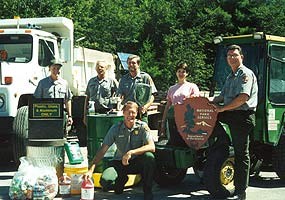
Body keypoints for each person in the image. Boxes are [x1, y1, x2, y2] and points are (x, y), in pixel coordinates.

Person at [209, 45, 258, 200]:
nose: (232, 58)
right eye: (229, 56)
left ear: (241, 57)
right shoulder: (230, 75)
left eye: (235, 55)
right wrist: (205, 102)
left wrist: (222, 109)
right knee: (207, 120)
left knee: (241, 154)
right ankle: (220, 146)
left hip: (242, 117)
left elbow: (243, 97)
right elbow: (221, 97)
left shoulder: (245, 74)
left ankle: (240, 192)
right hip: (230, 114)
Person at [83, 101, 155, 200]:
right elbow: (103, 149)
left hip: (137, 162)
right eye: (128, 112)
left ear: (137, 113)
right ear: (123, 113)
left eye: (133, 112)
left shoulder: (142, 127)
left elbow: (152, 146)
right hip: (120, 163)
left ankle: (147, 190)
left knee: (149, 157)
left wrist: (131, 152)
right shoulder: (116, 128)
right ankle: (122, 179)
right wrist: (91, 169)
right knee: (105, 181)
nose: (131, 115)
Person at [159, 62, 200, 146]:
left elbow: (196, 102)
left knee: (186, 143)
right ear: (176, 73)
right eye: (179, 71)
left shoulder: (192, 86)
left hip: (187, 120)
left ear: (187, 73)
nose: (181, 73)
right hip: (172, 119)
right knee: (174, 141)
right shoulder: (172, 88)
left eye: (183, 71)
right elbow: (168, 106)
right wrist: (163, 121)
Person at [117, 55, 157, 123]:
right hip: (128, 113)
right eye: (129, 63)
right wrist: (119, 105)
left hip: (141, 112)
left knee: (143, 132)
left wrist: (145, 107)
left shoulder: (145, 77)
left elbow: (152, 95)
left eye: (133, 63)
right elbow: (120, 95)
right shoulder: (123, 79)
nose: (131, 65)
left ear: (138, 64)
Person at [34, 60, 73, 127]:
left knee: (61, 136)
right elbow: (37, 100)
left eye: (58, 68)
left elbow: (68, 100)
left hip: (61, 116)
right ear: (49, 69)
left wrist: (69, 116)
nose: (56, 71)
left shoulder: (64, 83)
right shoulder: (42, 83)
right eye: (54, 68)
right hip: (46, 116)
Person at [83, 60, 118, 125]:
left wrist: (116, 109)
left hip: (107, 113)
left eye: (102, 67)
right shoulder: (91, 81)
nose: (99, 68)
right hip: (93, 112)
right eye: (98, 66)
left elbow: (118, 96)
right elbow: (87, 98)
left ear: (106, 68)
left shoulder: (111, 81)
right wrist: (84, 115)